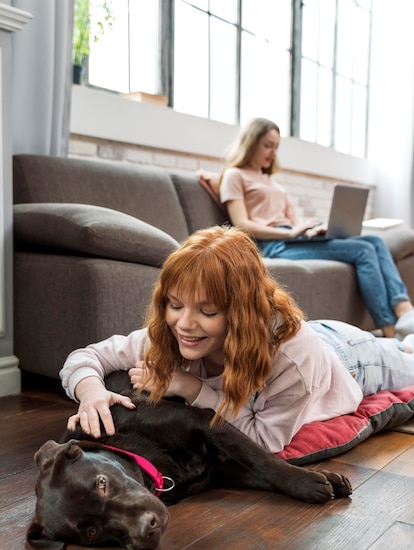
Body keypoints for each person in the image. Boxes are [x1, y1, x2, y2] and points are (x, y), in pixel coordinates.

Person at [62, 226, 414, 454]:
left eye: (207, 311)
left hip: (349, 358)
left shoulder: (292, 359)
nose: (184, 324)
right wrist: (90, 391)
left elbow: (263, 441)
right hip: (316, 335)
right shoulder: (173, 333)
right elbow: (85, 357)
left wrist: (191, 388)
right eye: (174, 304)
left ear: (240, 312)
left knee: (406, 356)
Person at [218, 117, 414, 339]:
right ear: (251, 142)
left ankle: (404, 308)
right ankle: (389, 328)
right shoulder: (235, 175)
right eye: (267, 145)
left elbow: (295, 220)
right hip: (273, 244)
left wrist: (310, 229)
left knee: (375, 241)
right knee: (363, 250)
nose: (272, 152)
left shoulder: (273, 183)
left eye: (276, 147)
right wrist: (289, 233)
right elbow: (241, 225)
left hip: (293, 237)